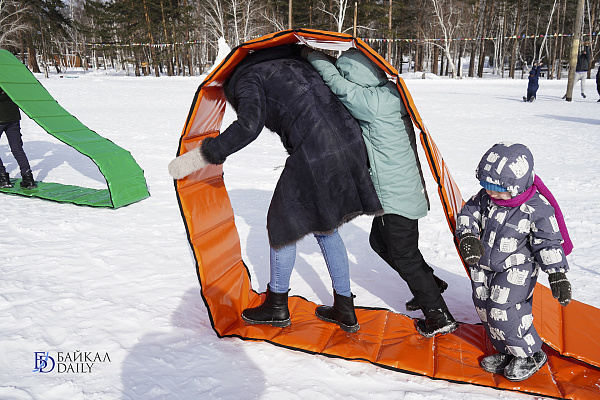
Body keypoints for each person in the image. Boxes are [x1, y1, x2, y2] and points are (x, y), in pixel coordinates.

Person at [168, 45, 384, 333]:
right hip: (350, 143)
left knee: (282, 226)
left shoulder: (248, 77)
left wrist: (207, 153)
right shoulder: (291, 61)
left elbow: (248, 126)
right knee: (326, 226)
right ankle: (345, 308)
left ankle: (276, 306)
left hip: (316, 152)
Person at [304, 47, 457, 337]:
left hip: (395, 195)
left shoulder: (370, 102)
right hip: (404, 189)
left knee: (404, 255)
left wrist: (310, 55)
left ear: (354, 75)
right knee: (379, 242)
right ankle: (430, 284)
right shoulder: (389, 93)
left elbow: (336, 84)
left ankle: (438, 316)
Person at [455, 142, 573, 382]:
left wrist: (557, 274)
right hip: (485, 265)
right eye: (488, 188)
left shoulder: (537, 209)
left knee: (503, 310)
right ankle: (507, 351)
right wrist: (467, 236)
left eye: (499, 190)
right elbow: (468, 213)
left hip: (517, 268)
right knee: (484, 307)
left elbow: (548, 242)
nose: (492, 194)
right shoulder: (486, 198)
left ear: (517, 185)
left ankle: (530, 354)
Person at [0, 86, 36, 189]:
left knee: (17, 149)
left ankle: (3, 179)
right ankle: (28, 179)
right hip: (13, 117)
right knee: (17, 149)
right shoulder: (10, 81)